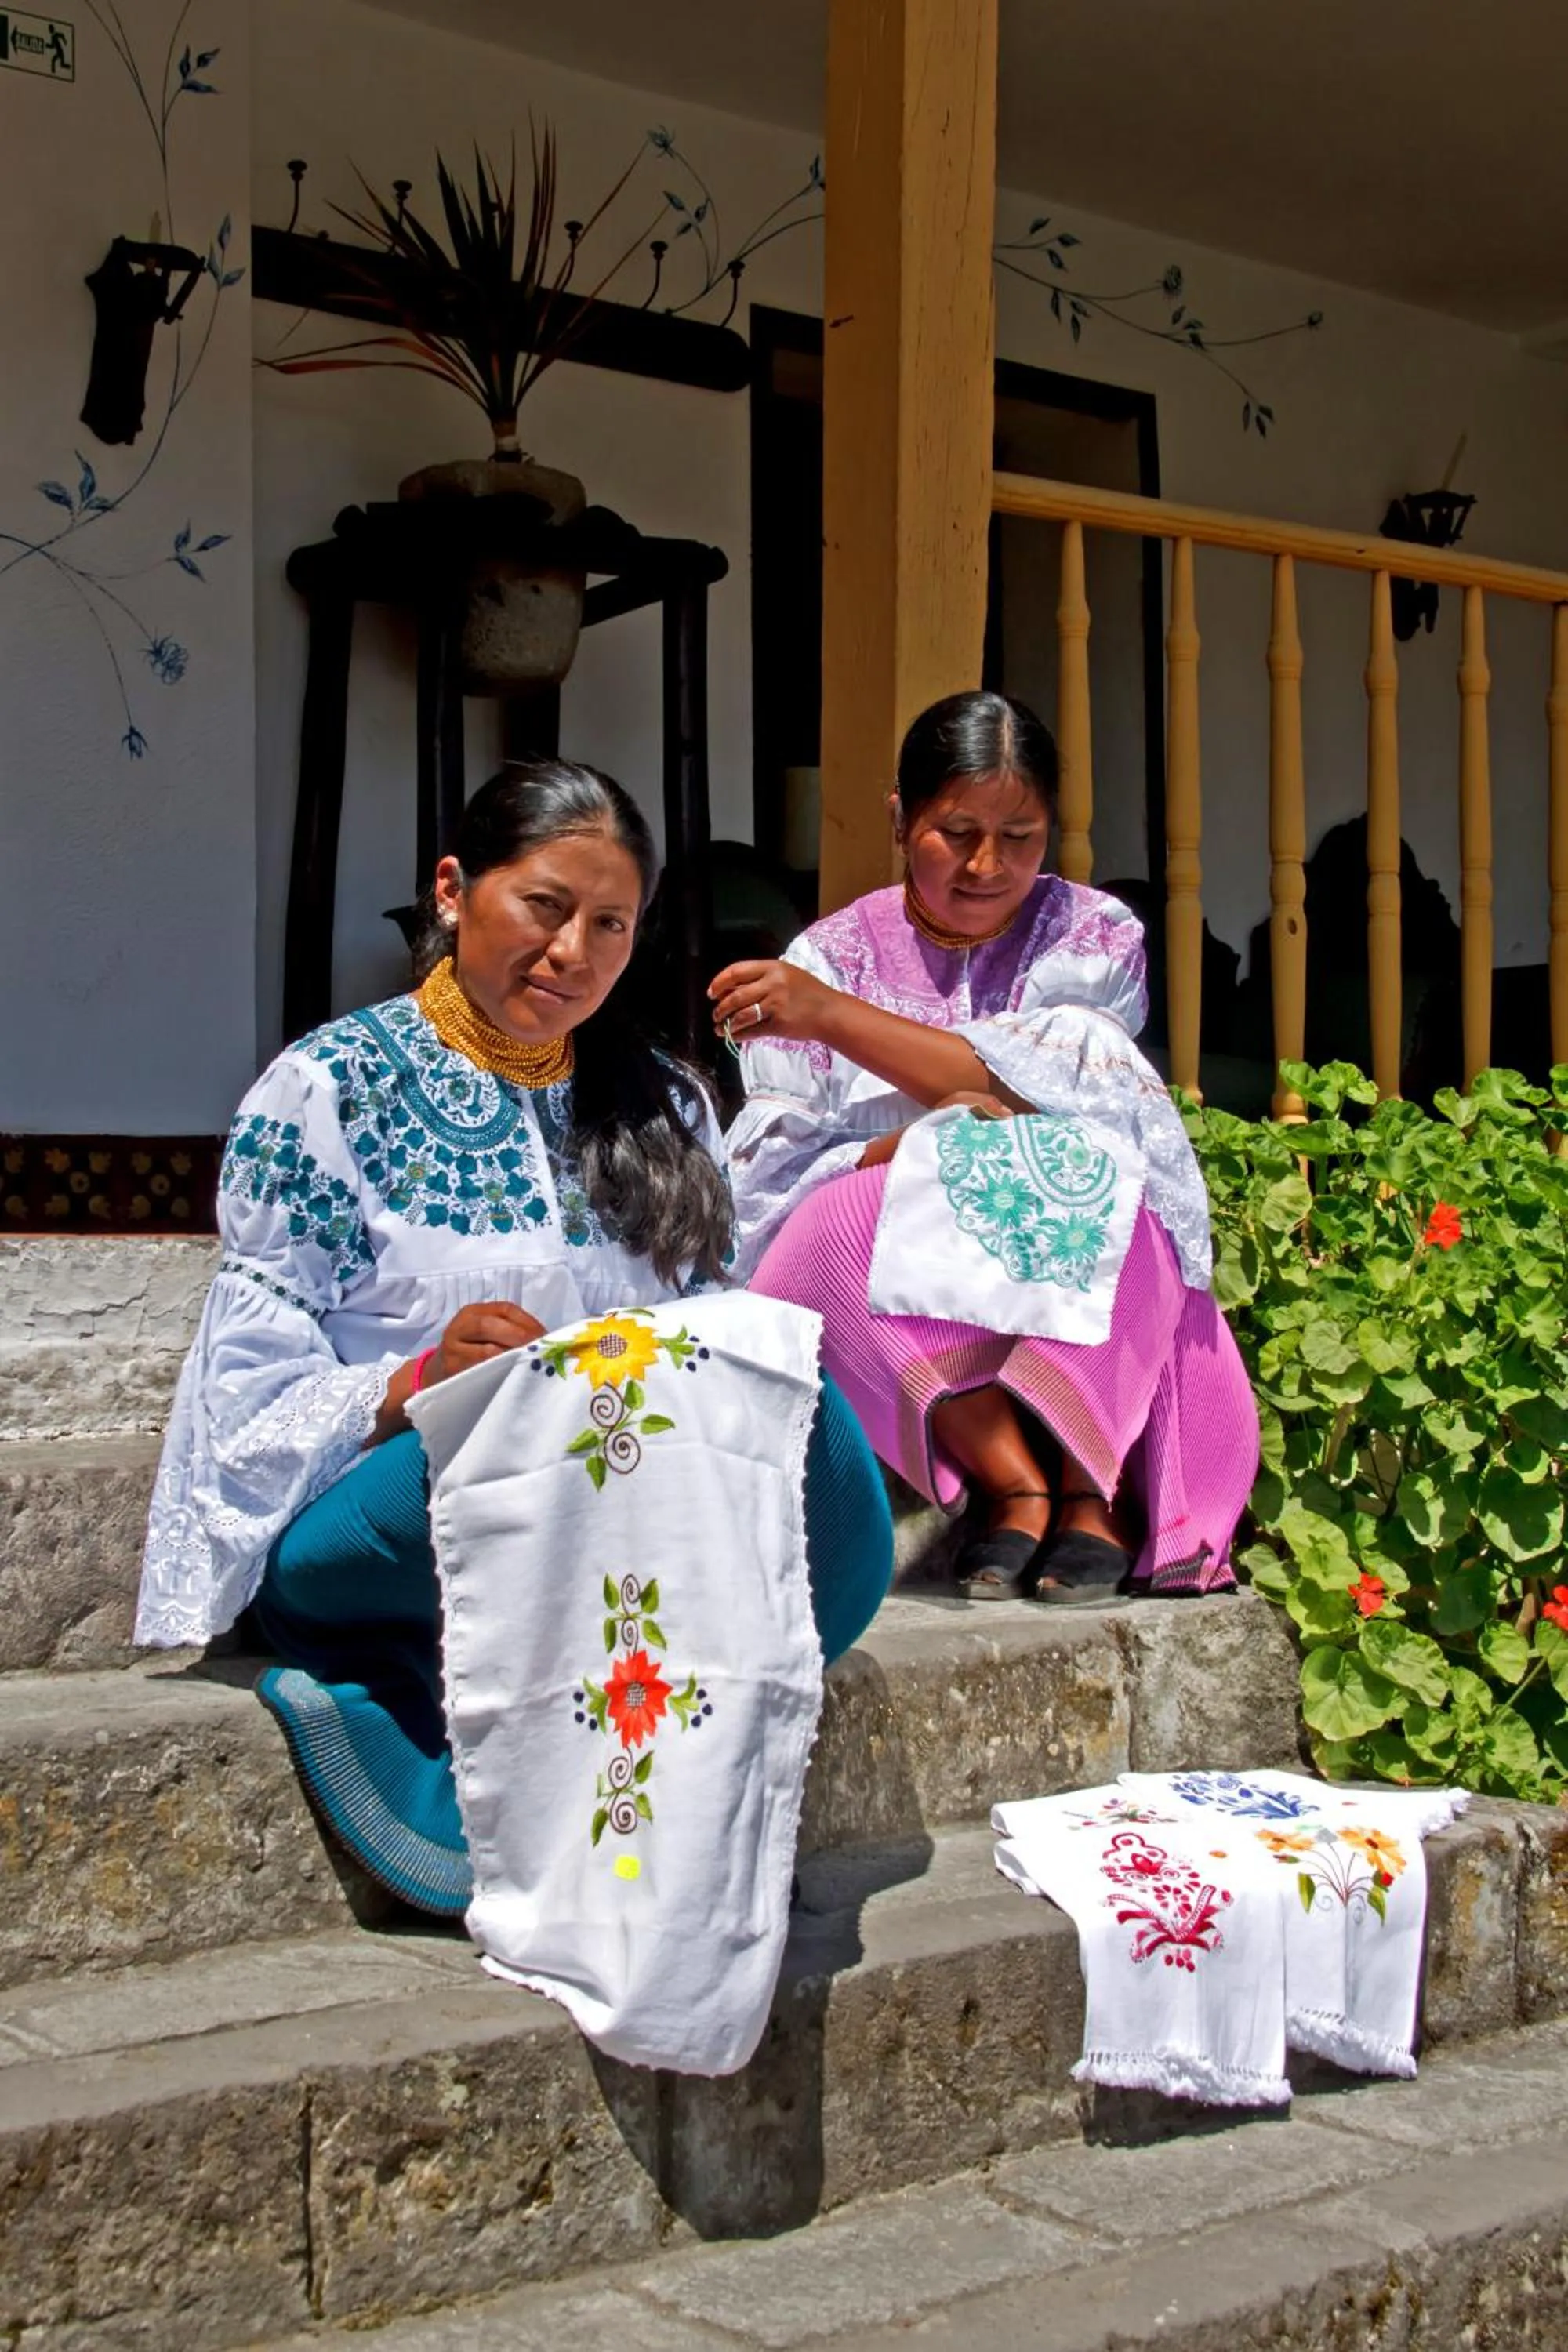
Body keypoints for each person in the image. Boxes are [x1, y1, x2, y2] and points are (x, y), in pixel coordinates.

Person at [136, 760, 892, 1915]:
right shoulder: (324, 1091)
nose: (573, 954)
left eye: (610, 925)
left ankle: (653, 1749)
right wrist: (412, 1380)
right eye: (543, 907)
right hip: (382, 1510)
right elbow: (237, 1411)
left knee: (814, 1434)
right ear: (453, 891)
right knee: (557, 1414)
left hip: (616, 1508)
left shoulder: (668, 1103)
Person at [711, 691, 1258, 1605]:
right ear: (899, 818)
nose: (985, 864)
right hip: (897, 1255)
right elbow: (769, 1169)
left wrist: (832, 1017)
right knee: (821, 1230)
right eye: (955, 831)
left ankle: (1093, 1489)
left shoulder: (1089, 931)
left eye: (1020, 836)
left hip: (1068, 1251)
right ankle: (1010, 1480)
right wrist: (900, 1154)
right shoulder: (829, 953)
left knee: (1098, 1170)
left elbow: (1052, 1090)